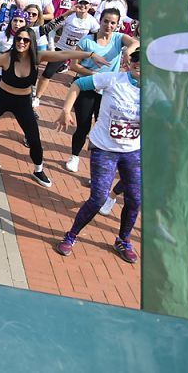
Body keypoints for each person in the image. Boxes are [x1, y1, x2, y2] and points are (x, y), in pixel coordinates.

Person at [0, 29, 109, 187]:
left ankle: (38, 170)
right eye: (19, 39)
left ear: (31, 43)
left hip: (23, 103)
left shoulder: (37, 57)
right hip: (0, 99)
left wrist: (90, 55)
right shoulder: (5, 57)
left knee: (34, 139)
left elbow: (64, 55)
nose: (21, 42)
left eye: (26, 40)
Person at [56, 48, 142, 263]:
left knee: (135, 199)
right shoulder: (113, 79)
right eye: (136, 61)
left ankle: (123, 240)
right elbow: (78, 84)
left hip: (132, 151)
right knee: (98, 198)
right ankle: (71, 235)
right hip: (104, 148)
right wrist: (66, 110)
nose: (138, 65)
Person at [63, 8, 140, 172]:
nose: (109, 25)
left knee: (103, 127)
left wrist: (129, 51)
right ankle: (74, 156)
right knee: (83, 126)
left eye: (113, 22)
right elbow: (74, 65)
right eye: (106, 21)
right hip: (87, 86)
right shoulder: (86, 41)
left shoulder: (118, 39)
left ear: (117, 24)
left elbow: (136, 42)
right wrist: (95, 75)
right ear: (100, 21)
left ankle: (99, 169)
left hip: (108, 92)